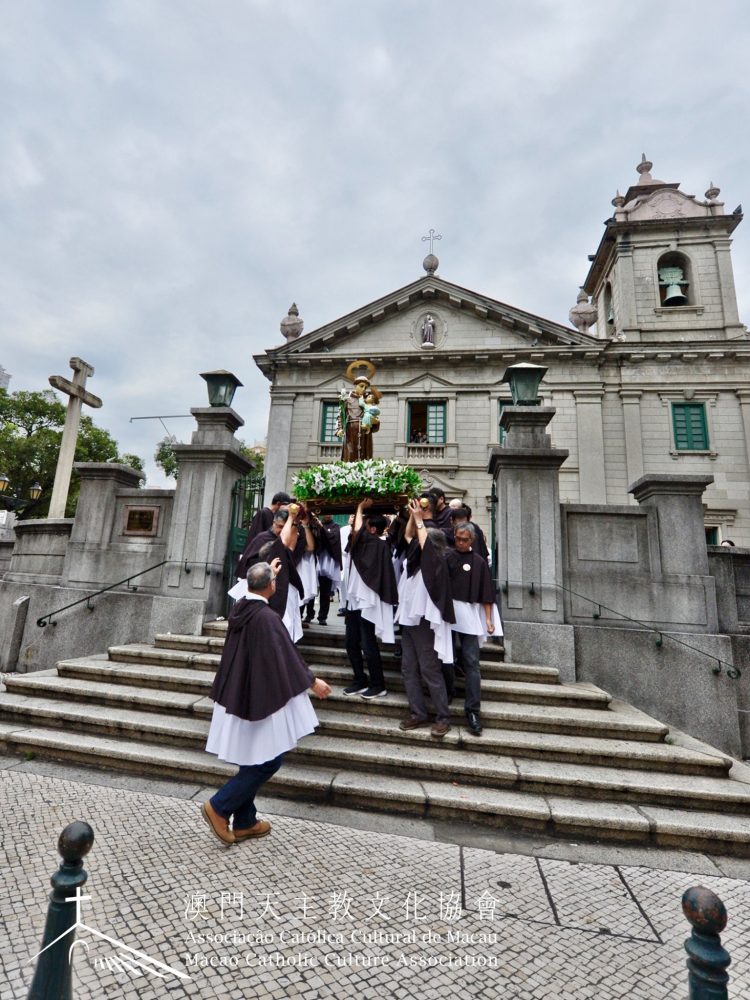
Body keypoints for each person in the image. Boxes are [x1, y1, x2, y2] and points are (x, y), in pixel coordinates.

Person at [202, 561, 332, 845]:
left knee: (253, 756)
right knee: (267, 761)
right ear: (272, 586)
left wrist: (267, 571)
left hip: (239, 691)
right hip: (256, 696)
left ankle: (246, 820)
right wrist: (312, 681)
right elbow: (286, 654)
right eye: (273, 581)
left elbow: (248, 588)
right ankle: (220, 806)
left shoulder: (240, 608)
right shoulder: (267, 618)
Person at [396, 500, 455, 738]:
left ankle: (443, 717)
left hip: (424, 623)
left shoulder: (438, 562)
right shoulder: (415, 563)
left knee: (429, 669)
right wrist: (412, 516)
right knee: (408, 668)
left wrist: (421, 519)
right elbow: (410, 535)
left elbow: (423, 542)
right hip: (408, 621)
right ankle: (417, 713)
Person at [446, 523, 502, 736]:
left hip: (469, 614)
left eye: (465, 540)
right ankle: (448, 693)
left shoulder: (479, 562)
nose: (461, 542)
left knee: (471, 662)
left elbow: (486, 593)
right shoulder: (447, 557)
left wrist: (488, 620)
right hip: (448, 614)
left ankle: (472, 710)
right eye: (458, 538)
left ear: (473, 540)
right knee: (446, 657)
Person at [343, 499, 398, 698]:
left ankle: (378, 684)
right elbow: (356, 533)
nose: (356, 530)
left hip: (368, 601)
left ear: (373, 530)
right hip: (354, 599)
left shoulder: (376, 545)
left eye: (366, 526)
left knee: (368, 644)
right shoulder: (364, 542)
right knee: (351, 642)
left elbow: (357, 531)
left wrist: (359, 507)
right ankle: (359, 679)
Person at [308, 514, 342, 626]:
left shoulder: (335, 527)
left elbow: (332, 540)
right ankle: (309, 614)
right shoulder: (312, 525)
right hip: (314, 560)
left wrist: (321, 527)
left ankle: (322, 617)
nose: (327, 515)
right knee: (311, 590)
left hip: (327, 563)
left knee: (325, 592)